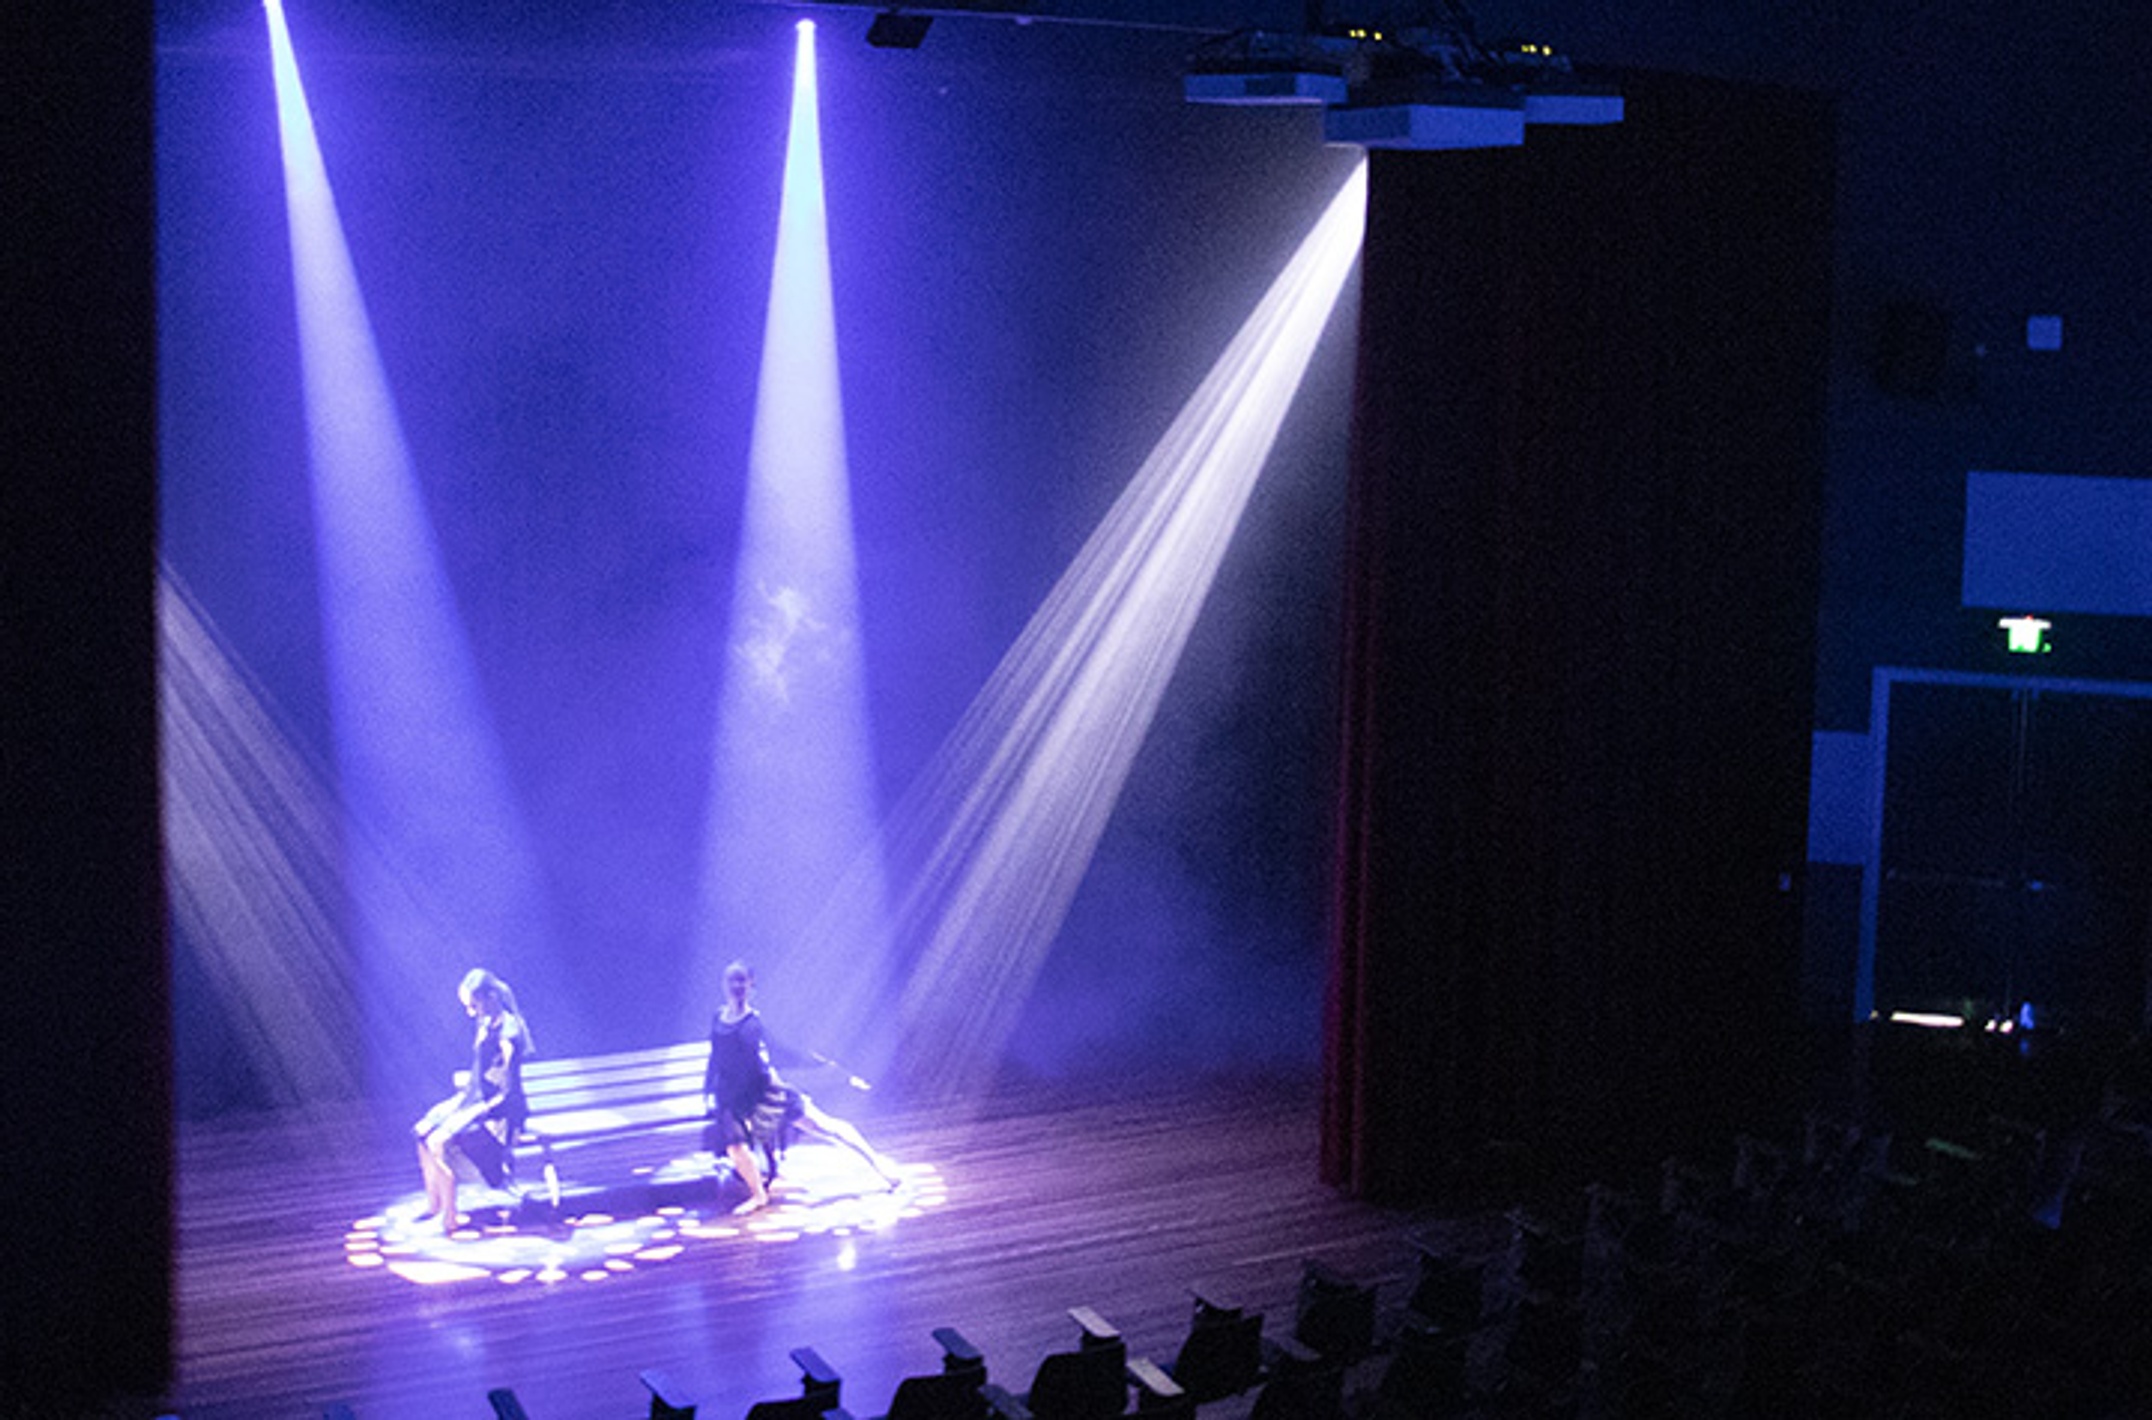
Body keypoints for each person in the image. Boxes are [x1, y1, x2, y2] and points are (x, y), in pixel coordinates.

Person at [702, 960, 898, 1213]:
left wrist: (830, 1070)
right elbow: (716, 1056)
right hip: (731, 1095)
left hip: (765, 1093)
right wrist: (708, 1090)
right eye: (732, 980)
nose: (737, 986)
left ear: (751, 985)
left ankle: (879, 1166)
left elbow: (780, 1054)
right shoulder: (718, 1017)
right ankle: (758, 1195)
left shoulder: (755, 1022)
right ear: (724, 984)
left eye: (742, 980)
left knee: (824, 1127)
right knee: (736, 1147)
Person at [412, 967, 532, 1234]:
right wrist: (465, 1100)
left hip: (500, 1110)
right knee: (421, 1132)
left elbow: (508, 1090)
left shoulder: (509, 1033)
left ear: (490, 997)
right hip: (474, 1097)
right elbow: (482, 1071)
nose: (471, 1012)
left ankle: (450, 1216)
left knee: (437, 1142)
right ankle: (435, 1203)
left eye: (474, 1005)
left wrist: (477, 1112)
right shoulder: (485, 1021)